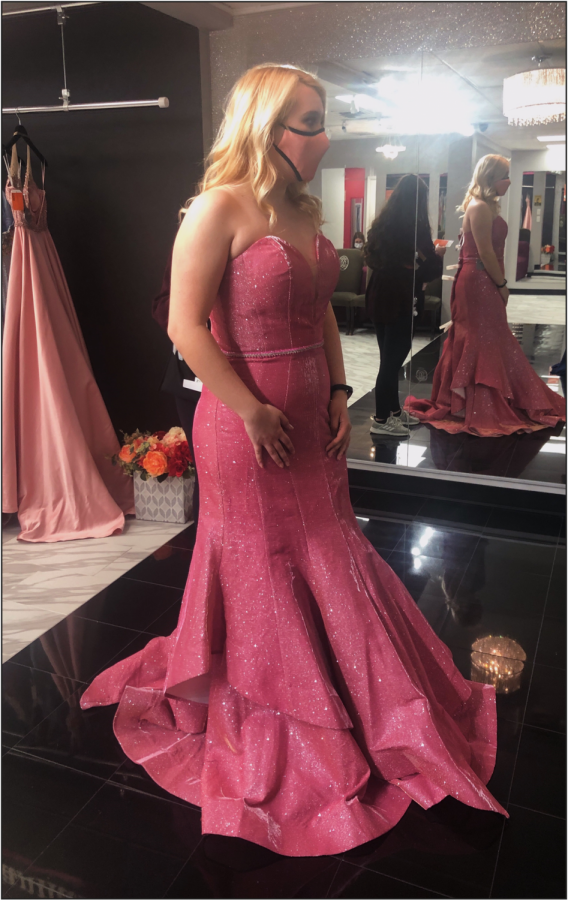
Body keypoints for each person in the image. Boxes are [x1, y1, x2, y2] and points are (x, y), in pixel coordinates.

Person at [80, 64, 507, 857]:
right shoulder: (218, 208)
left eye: (323, 119)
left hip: (313, 410)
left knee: (329, 549)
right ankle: (283, 711)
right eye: (310, 121)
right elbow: (183, 325)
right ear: (268, 128)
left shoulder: (304, 212)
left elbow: (318, 317)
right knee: (266, 562)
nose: (325, 134)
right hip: (245, 420)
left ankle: (351, 686)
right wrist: (249, 409)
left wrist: (342, 389)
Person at [405, 155, 566, 435]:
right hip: (479, 280)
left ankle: (478, 400)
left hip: (483, 278)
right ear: (491, 178)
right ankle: (474, 404)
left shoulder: (485, 206)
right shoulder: (479, 207)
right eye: (505, 174)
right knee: (481, 338)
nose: (509, 180)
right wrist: (502, 284)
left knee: (490, 337)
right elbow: (485, 252)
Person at [365, 175, 445, 436]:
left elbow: (372, 258)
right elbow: (426, 271)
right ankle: (380, 419)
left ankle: (394, 411)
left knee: (388, 357)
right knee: (391, 362)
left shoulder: (383, 225)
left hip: (379, 294)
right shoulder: (417, 228)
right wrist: (437, 256)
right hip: (402, 298)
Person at [152, 249, 202, 521]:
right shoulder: (194, 227)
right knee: (209, 479)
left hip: (261, 378)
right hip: (193, 380)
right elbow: (162, 304)